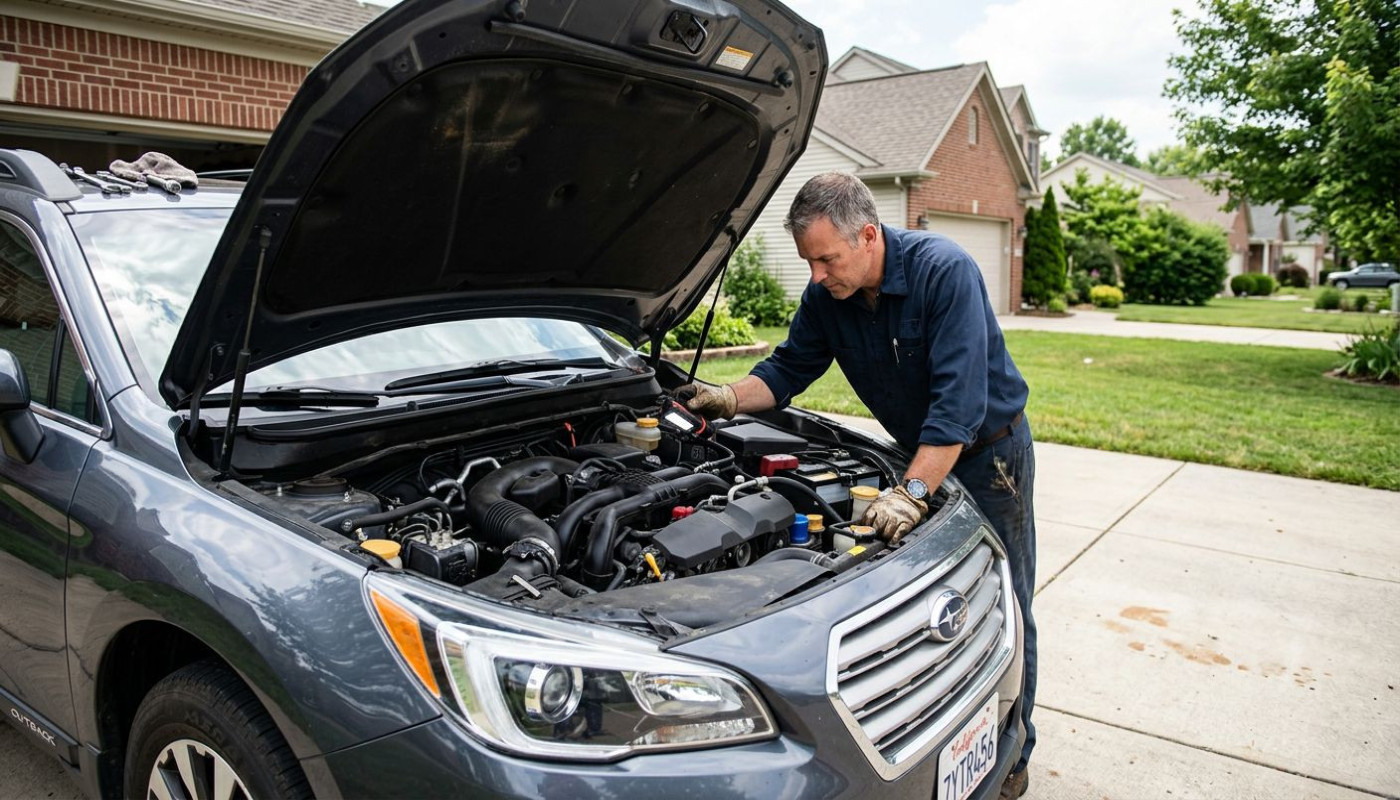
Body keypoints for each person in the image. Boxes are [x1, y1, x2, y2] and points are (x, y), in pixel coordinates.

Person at [678, 172, 1037, 799]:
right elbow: (790, 366)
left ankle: (1012, 754)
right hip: (916, 454)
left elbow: (957, 408)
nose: (817, 275)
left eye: (826, 258)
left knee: (1007, 597)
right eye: (808, 262)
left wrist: (913, 493)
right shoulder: (828, 296)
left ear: (868, 236)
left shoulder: (943, 272)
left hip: (988, 454)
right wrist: (727, 398)